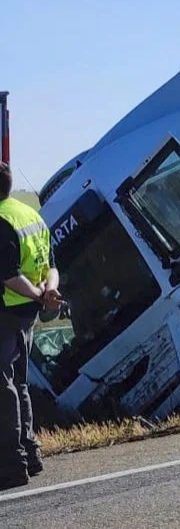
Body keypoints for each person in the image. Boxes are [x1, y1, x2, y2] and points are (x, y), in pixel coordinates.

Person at [0, 162, 56, 489]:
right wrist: (46, 292)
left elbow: (8, 275)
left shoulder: (2, 221)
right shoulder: (29, 214)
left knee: (2, 385)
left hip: (7, 311)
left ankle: (12, 462)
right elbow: (51, 265)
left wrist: (37, 293)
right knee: (18, 381)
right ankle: (31, 453)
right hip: (28, 314)